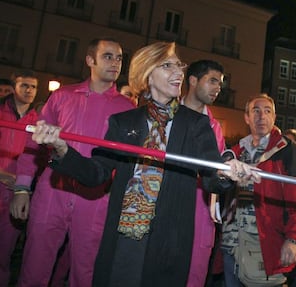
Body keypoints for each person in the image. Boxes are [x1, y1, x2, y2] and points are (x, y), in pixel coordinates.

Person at [28, 41, 259, 287]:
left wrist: (228, 173)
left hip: (169, 242)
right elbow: (96, 173)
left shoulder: (195, 125)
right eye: (168, 66)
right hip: (123, 239)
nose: (179, 72)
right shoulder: (124, 122)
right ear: (148, 74)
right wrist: (62, 149)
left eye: (179, 66)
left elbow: (212, 177)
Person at [10, 37, 135, 287]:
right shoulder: (61, 96)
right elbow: (34, 144)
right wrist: (22, 188)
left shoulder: (127, 107)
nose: (116, 63)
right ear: (90, 60)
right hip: (52, 191)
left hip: (96, 198)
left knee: (86, 273)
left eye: (119, 57)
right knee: (34, 267)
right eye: (108, 56)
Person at [221, 93, 296, 287]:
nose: (262, 116)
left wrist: (293, 239)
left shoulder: (287, 151)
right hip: (231, 247)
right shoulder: (235, 151)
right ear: (246, 117)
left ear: (274, 118)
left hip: (264, 248)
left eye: (267, 111)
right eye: (256, 111)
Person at [181, 59, 226, 287]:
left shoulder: (215, 127)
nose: (218, 87)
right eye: (212, 81)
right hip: (165, 208)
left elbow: (216, 175)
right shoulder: (167, 116)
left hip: (200, 212)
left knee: (195, 276)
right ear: (193, 80)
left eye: (220, 83)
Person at [0, 70, 38, 287]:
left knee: (5, 251)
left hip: (18, 193)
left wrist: (25, 184)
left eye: (33, 87)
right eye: (24, 85)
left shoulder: (39, 120)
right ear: (14, 87)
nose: (29, 90)